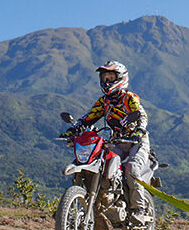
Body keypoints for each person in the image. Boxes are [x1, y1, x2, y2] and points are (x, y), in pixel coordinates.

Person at [63, 61, 154, 221]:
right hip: (116, 141)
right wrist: (75, 128)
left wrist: (139, 129)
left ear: (120, 78)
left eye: (111, 77)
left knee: (131, 169)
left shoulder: (129, 98)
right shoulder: (103, 102)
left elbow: (141, 114)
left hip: (137, 142)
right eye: (104, 77)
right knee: (103, 163)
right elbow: (89, 117)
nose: (106, 81)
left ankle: (138, 209)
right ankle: (81, 205)